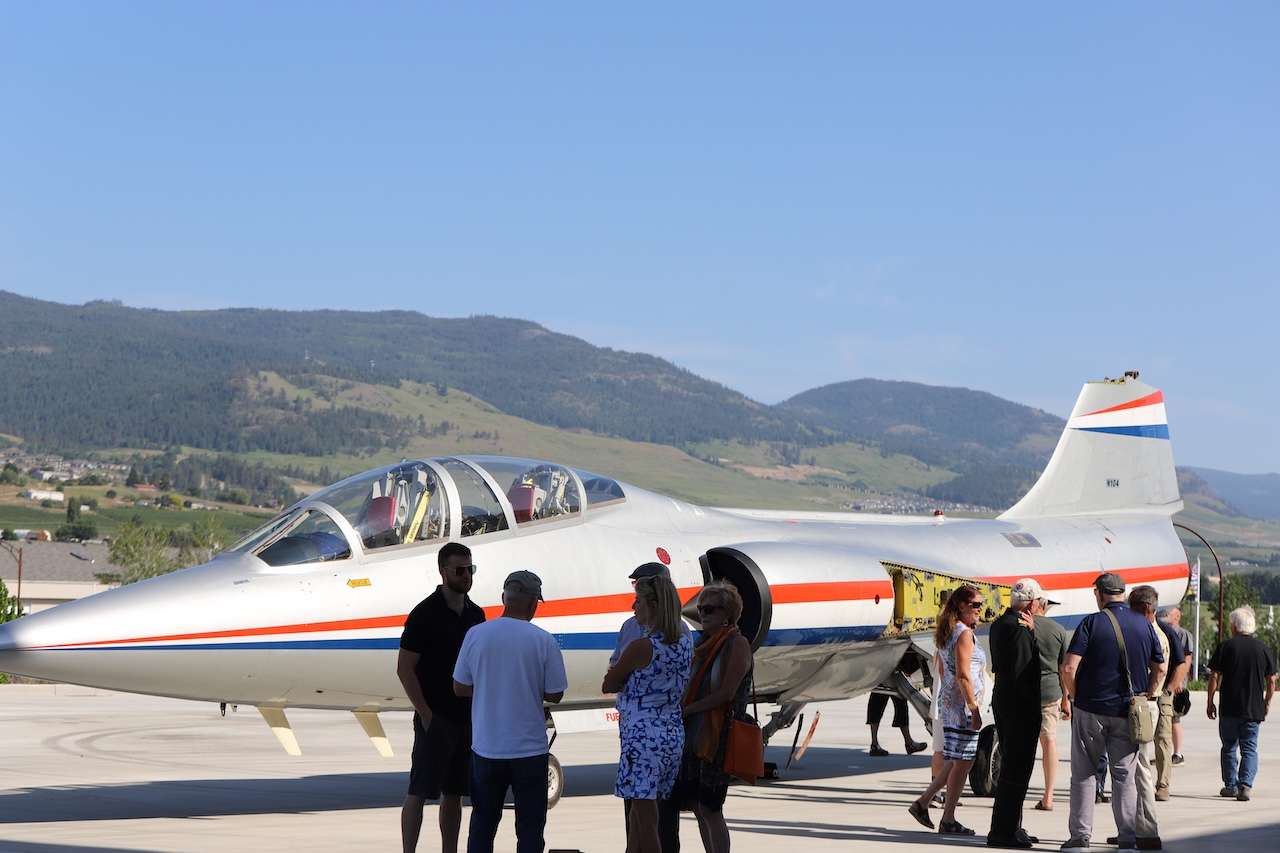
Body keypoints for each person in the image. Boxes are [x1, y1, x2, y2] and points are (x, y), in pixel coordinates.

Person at [453, 570, 568, 853]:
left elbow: (459, 686)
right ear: (532, 603)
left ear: (504, 598)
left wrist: (490, 686)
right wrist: (525, 686)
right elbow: (555, 693)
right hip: (529, 750)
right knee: (530, 830)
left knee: (482, 824)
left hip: (487, 748)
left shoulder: (476, 634)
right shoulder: (543, 640)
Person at [1059, 572, 1165, 852]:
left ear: (1099, 594)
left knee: (1083, 773)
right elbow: (1161, 667)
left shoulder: (1092, 623)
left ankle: (1080, 837)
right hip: (1128, 709)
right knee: (1124, 776)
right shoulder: (1144, 623)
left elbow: (1069, 666)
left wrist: (1074, 694)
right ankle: (1128, 839)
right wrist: (1149, 693)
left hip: (1090, 707)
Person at [396, 542, 486, 853]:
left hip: (466, 719)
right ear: (443, 571)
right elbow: (405, 668)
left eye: (469, 569)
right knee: (419, 791)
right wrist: (424, 713)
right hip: (435, 718)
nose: (465, 575)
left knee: (455, 793)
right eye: (459, 570)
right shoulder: (424, 614)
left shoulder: (477, 615)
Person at [604, 574, 693, 853]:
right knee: (642, 813)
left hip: (642, 737)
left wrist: (622, 677)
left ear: (653, 605)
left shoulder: (642, 647)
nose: (634, 607)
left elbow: (609, 683)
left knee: (646, 819)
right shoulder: (685, 642)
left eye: (638, 601)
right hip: (671, 733)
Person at [674, 580, 754, 853]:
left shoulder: (736, 643)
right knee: (697, 806)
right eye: (700, 609)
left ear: (727, 614)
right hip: (696, 735)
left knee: (710, 808)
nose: (703, 614)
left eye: (709, 609)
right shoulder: (704, 644)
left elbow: (727, 693)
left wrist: (688, 709)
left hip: (718, 736)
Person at [1104, 584, 1183, 850]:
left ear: (1144, 608)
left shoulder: (1151, 631)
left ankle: (1147, 831)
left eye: (1132, 607)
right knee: (1130, 772)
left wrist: (1146, 695)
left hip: (1142, 704)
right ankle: (1131, 828)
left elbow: (1159, 671)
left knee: (1138, 771)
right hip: (1145, 703)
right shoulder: (1155, 630)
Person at [906, 584, 988, 837]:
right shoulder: (963, 634)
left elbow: (943, 670)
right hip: (962, 707)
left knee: (958, 760)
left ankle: (924, 803)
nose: (980, 609)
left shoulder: (949, 630)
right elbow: (964, 675)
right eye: (976, 605)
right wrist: (974, 709)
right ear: (961, 605)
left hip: (950, 704)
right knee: (963, 762)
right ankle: (947, 817)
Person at [986, 578, 1049, 849]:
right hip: (1019, 704)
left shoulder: (1001, 623)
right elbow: (1025, 672)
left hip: (1003, 696)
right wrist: (1034, 707)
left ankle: (1011, 826)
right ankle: (1004, 830)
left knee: (1012, 763)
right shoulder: (1020, 628)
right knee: (1017, 769)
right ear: (1033, 603)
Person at [1206, 605, 1277, 802]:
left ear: (1235, 626)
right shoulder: (1263, 648)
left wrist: (1210, 701)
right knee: (1249, 748)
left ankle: (1230, 785)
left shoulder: (1226, 646)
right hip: (1253, 708)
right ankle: (1245, 785)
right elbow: (1271, 680)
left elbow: (1214, 675)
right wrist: (1267, 702)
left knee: (1229, 746)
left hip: (1229, 707)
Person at [1031, 590, 1070, 812]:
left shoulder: (1021, 626)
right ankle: (1048, 795)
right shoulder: (1058, 630)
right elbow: (1064, 669)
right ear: (1044, 606)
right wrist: (1066, 699)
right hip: (1050, 693)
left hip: (1025, 694)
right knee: (1049, 742)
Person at [1157, 606, 1194, 766]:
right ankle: (1162, 753)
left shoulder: (1183, 634)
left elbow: (1186, 660)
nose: (1164, 616)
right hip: (1161, 682)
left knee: (1174, 719)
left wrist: (1179, 681)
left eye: (1168, 614)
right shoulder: (1161, 631)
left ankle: (1177, 754)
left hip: (1175, 683)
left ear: (1177, 617)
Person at [866, 691, 927, 756]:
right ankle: (909, 743)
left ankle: (875, 744)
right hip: (888, 681)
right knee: (900, 703)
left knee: (878, 702)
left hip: (882, 681)